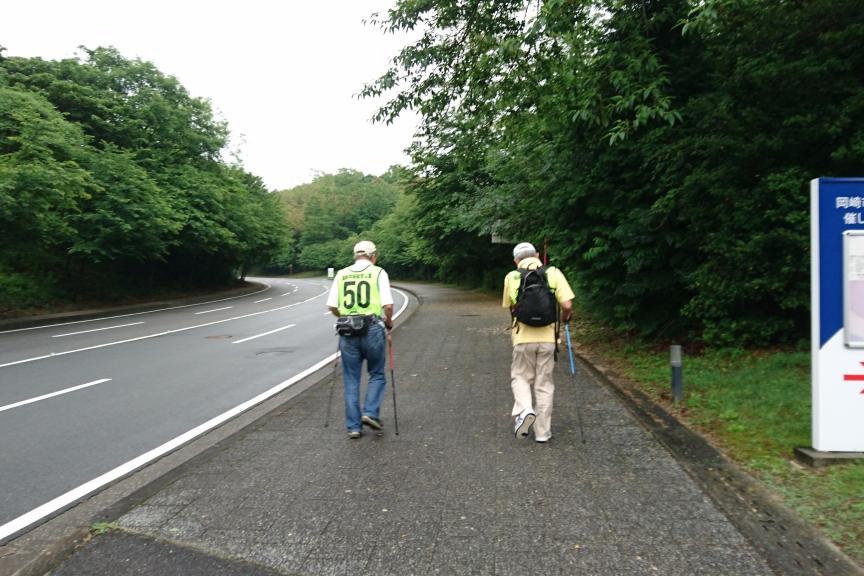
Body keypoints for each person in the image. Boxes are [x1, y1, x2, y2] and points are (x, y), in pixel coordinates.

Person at [502, 242, 574, 443]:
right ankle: (543, 433)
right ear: (537, 255)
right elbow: (567, 304)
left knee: (521, 377)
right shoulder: (553, 272)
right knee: (544, 384)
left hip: (523, 338)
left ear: (516, 260)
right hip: (548, 339)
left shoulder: (512, 276)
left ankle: (525, 410)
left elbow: (511, 306)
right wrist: (566, 317)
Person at [327, 240, 394, 439]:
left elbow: (331, 306)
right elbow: (388, 306)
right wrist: (389, 323)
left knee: (351, 378)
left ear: (355, 256)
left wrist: (345, 317)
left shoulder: (342, 274)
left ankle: (354, 427)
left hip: (348, 332)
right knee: (376, 374)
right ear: (374, 256)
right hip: (372, 327)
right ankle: (371, 413)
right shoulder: (378, 272)